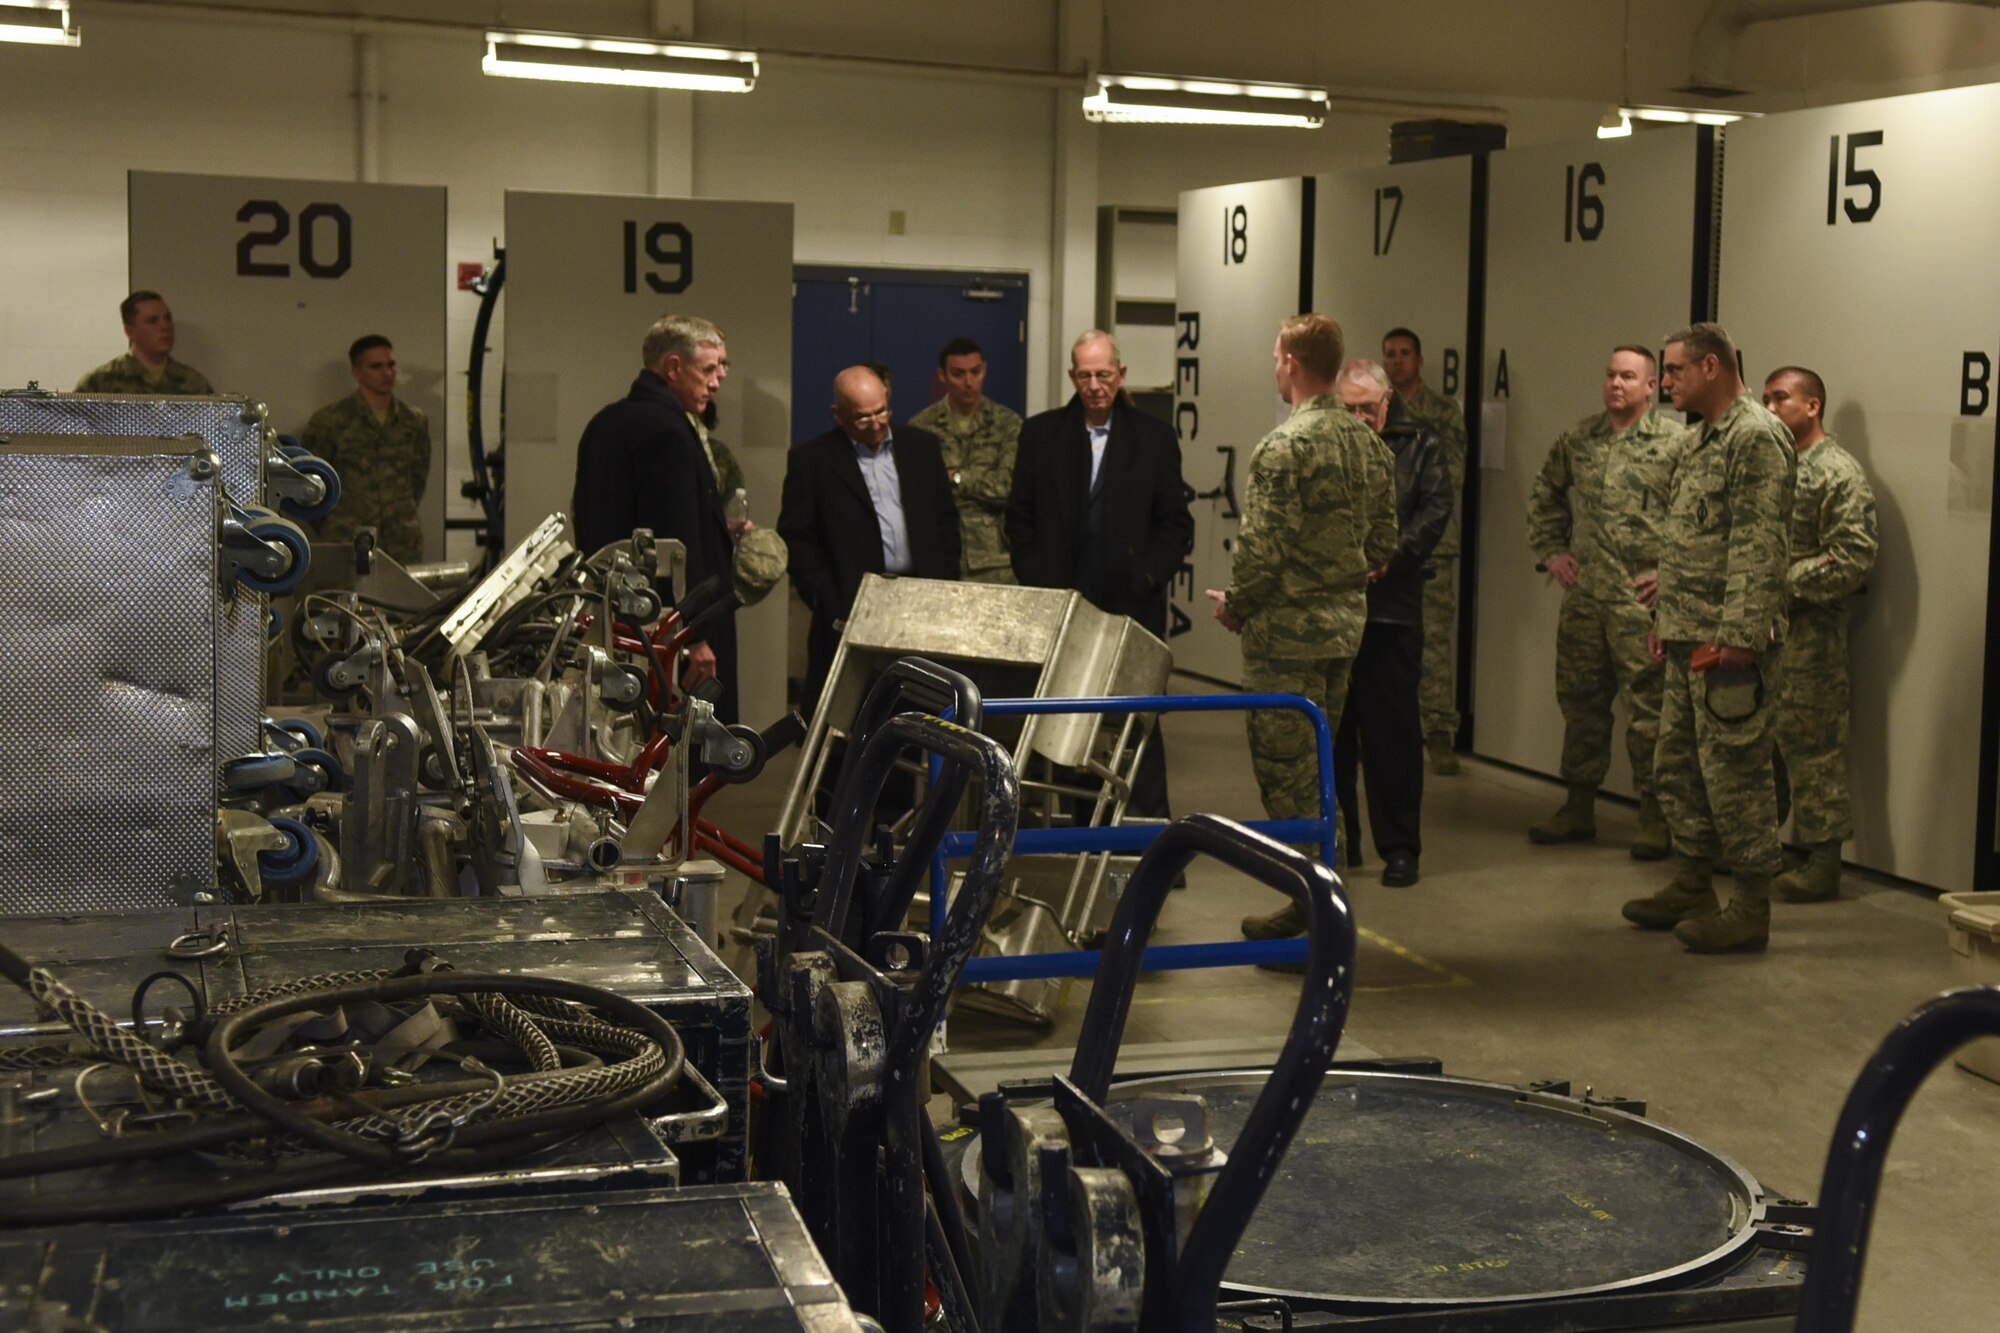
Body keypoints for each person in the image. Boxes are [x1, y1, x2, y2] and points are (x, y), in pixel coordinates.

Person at [1213, 314, 1398, 940]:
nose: (1274, 366)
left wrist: (1237, 605)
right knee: (1321, 767)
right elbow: (1383, 543)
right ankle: (1321, 904)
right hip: (1345, 629)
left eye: (1275, 357)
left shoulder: (1284, 446)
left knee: (1288, 778)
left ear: (1291, 364)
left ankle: (1316, 921)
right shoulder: (1368, 443)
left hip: (1286, 639)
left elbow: (1262, 552)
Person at [1622, 323, 1796, 954]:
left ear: (1713, 368)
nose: (1666, 383)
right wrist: (1667, 607)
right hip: (1687, 635)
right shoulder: (1701, 439)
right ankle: (1693, 881)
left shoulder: (1754, 437)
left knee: (1736, 773)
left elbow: (1759, 544)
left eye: (1673, 372)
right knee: (1679, 765)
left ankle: (1751, 906)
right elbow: (1704, 535)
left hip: (1729, 645)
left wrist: (1742, 635)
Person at [1008, 331, 1192, 816]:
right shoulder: (1041, 434)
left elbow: (1176, 525)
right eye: (1085, 375)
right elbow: (1019, 519)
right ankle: (1066, 833)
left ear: (1121, 375)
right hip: (1062, 607)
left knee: (1137, 727)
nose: (1094, 385)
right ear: (1072, 376)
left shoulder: (1153, 438)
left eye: (1104, 375)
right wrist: (1037, 579)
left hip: (1131, 605)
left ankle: (1145, 835)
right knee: (1059, 722)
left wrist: (1147, 576)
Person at [1523, 346, 1688, 858]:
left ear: (1652, 386)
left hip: (1642, 603)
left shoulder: (1677, 444)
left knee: (1650, 712)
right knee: (1581, 704)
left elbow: (1699, 516)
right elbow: (1545, 493)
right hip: (1588, 599)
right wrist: (1553, 551)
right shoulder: (1582, 439)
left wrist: (1674, 572)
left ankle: (1656, 816)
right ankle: (1577, 805)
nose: (1617, 383)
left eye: (1628, 376)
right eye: (1611, 374)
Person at [573, 314, 745, 722]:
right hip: (669, 638)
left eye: (722, 368)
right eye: (708, 369)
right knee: (681, 757)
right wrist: (695, 638)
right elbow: (676, 546)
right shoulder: (669, 433)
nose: (718, 381)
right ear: (673, 368)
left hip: (620, 620)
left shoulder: (605, 422)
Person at [1330, 359, 1452, 887]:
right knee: (1334, 735)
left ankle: (1400, 848)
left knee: (1392, 739)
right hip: (1334, 610)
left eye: (1367, 409)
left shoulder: (1422, 443)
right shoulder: (1326, 444)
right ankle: (1342, 841)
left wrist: (1390, 558)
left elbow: (1435, 508)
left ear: (1385, 404)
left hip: (1392, 610)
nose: (1359, 419)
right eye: (1349, 409)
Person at [1761, 365, 1879, 903]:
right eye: (1764, 398)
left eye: (1780, 397)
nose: (1769, 407)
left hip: (1812, 638)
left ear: (1812, 406)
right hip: (1766, 633)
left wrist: (1779, 582)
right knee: (1764, 746)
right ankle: (1760, 847)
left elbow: (1853, 557)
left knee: (1813, 747)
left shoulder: (1837, 472)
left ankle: (1823, 860)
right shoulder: (1775, 464)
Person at [779, 366, 960, 714]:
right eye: (862, 418)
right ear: (839, 415)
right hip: (849, 607)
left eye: (881, 411)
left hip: (920, 603)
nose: (876, 423)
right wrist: (827, 600)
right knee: (847, 723)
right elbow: (797, 541)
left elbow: (946, 523)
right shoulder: (811, 461)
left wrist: (945, 581)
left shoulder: (921, 448)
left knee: (916, 716)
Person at [1382, 327, 1468, 776]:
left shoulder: (1439, 413)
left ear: (1419, 359)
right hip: (1379, 548)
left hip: (1432, 545)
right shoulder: (1375, 409)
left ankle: (1438, 733)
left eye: (1404, 354)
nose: (1397, 362)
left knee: (1433, 643)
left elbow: (1448, 478)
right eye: (1390, 355)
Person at [301, 335, 432, 566]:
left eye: (391, 365)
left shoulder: (414, 421)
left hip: (401, 540)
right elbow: (311, 486)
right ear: (357, 372)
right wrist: (338, 522)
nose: (387, 373)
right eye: (376, 366)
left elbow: (417, 477)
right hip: (347, 539)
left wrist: (398, 511)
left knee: (403, 600)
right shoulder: (331, 421)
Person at [910, 337, 1022, 584]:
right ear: (943, 376)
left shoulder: (1007, 424)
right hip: (939, 555)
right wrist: (980, 486)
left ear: (985, 370)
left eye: (975, 372)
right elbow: (919, 496)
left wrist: (955, 478)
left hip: (995, 560)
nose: (969, 383)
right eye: (958, 374)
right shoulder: (921, 428)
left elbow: (1007, 487)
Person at [76, 290, 213, 395]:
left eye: (167, 318)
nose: (165, 327)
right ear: (130, 331)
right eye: (152, 321)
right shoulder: (99, 384)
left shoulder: (193, 383)